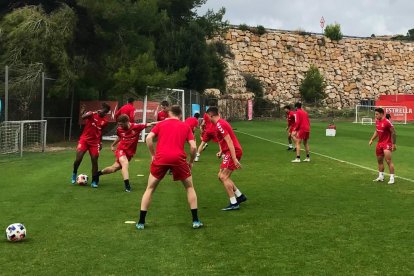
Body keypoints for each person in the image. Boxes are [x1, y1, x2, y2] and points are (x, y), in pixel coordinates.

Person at [136, 105, 203, 230]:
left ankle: (141, 222)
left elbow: (148, 138)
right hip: (178, 159)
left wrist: (152, 155)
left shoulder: (161, 124)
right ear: (180, 115)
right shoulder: (185, 126)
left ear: (169, 113)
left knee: (150, 188)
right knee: (189, 187)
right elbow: (193, 147)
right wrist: (191, 161)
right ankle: (195, 221)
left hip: (161, 158)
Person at [93, 114, 157, 191]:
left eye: (121, 124)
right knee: (125, 163)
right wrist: (113, 145)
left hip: (129, 153)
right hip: (121, 150)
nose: (120, 126)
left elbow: (151, 124)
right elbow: (119, 137)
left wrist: (167, 121)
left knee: (114, 168)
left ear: (127, 122)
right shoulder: (119, 129)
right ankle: (127, 186)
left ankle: (97, 174)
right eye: (119, 124)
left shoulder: (137, 127)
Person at [207, 106, 247, 211]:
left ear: (211, 115)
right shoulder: (219, 124)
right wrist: (221, 151)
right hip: (229, 152)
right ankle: (240, 196)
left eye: (207, 116)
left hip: (233, 151)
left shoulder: (220, 124)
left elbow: (229, 141)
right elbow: (224, 141)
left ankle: (234, 203)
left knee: (224, 177)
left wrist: (234, 159)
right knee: (221, 176)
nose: (207, 118)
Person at [71, 103, 111, 186]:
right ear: (101, 109)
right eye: (104, 111)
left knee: (94, 160)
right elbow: (83, 117)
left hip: (95, 143)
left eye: (106, 112)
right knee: (78, 159)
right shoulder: (92, 114)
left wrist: (100, 142)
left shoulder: (105, 121)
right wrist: (93, 112)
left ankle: (94, 180)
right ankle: (74, 173)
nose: (105, 113)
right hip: (84, 140)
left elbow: (100, 132)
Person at [369, 108, 397, 184]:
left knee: (388, 161)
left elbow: (394, 133)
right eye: (375, 114)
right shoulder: (377, 121)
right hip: (379, 144)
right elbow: (377, 131)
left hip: (387, 143)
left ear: (382, 114)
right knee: (379, 161)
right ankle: (381, 176)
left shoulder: (387, 122)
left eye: (377, 114)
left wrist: (393, 144)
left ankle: (392, 178)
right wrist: (372, 139)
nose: (375, 115)